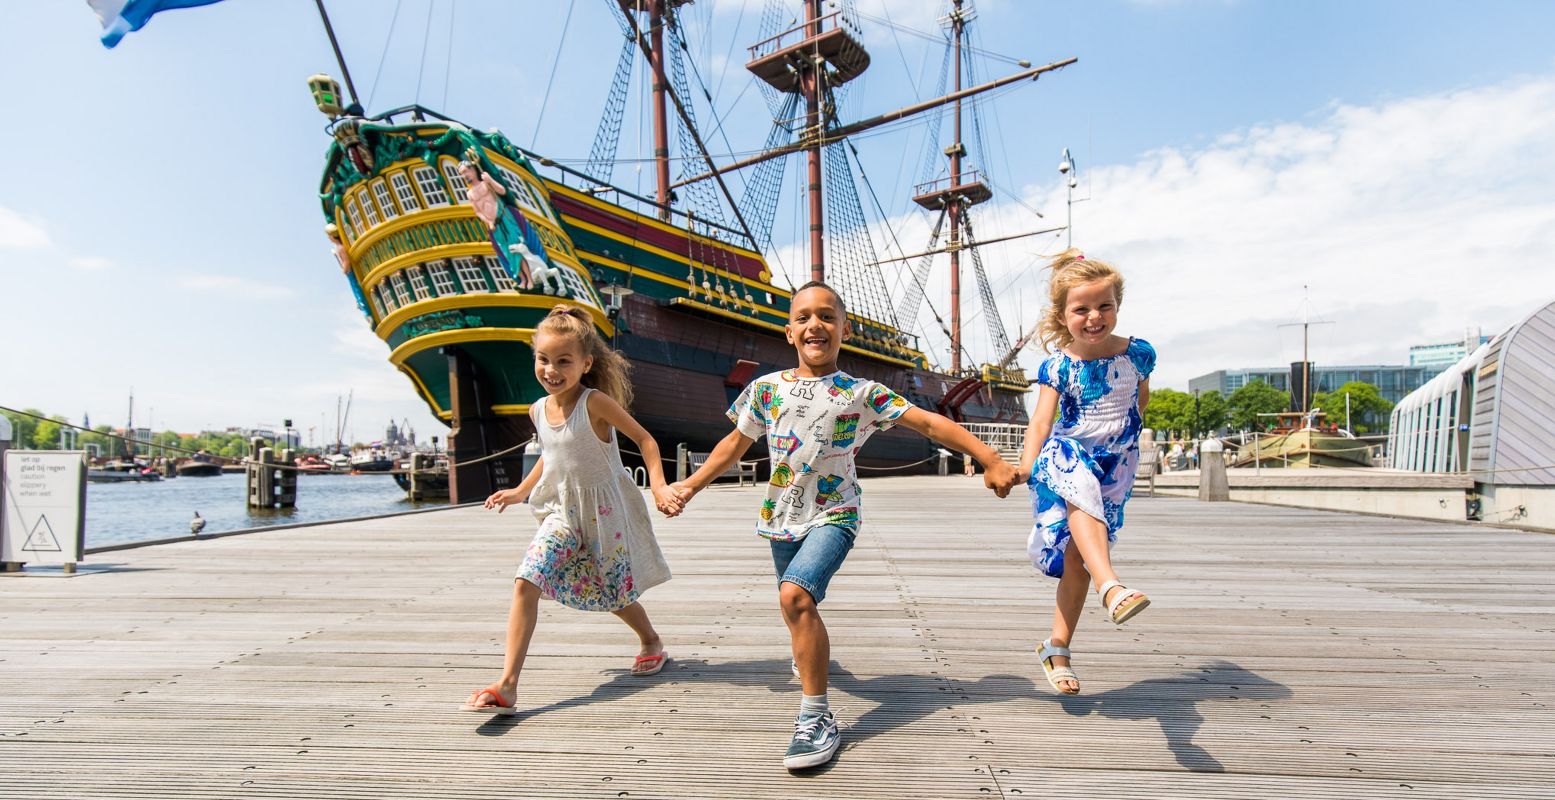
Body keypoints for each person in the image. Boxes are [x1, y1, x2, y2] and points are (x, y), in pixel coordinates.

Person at [670, 281, 1021, 770]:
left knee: (795, 596)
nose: (816, 324)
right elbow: (734, 444)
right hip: (781, 516)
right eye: (805, 317)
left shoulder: (861, 393)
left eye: (828, 317)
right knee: (795, 609)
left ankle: (816, 716)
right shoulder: (767, 389)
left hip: (836, 512)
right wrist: (689, 486)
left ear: (844, 329)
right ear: (790, 330)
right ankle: (807, 655)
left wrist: (988, 457)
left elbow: (929, 424)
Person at [461, 305, 683, 714]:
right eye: (543, 360)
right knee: (526, 579)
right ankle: (507, 684)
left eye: (564, 361)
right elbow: (550, 455)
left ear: (585, 363)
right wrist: (519, 491)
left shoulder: (594, 402)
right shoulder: (537, 410)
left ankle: (651, 640)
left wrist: (658, 486)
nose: (552, 369)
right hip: (561, 512)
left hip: (604, 515)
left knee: (613, 591)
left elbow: (647, 442)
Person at [1016, 249, 1154, 697]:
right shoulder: (1058, 366)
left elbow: (1139, 401)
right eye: (1082, 309)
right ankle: (1112, 589)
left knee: (1079, 558)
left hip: (1116, 461)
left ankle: (1056, 647)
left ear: (1117, 305)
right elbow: (1041, 421)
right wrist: (1025, 464)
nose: (1094, 317)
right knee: (1081, 495)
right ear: (1063, 314)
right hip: (1067, 453)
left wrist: (1124, 441)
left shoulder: (1139, 354)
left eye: (1104, 306)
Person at [457, 157, 559, 294]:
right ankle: (522, 279)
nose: (465, 176)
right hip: (494, 226)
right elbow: (478, 212)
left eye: (466, 172)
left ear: (473, 170)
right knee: (508, 253)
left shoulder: (485, 184)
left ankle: (530, 279)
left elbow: (502, 191)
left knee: (518, 248)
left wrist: (490, 180)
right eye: (462, 174)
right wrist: (489, 222)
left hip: (504, 218)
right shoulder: (470, 194)